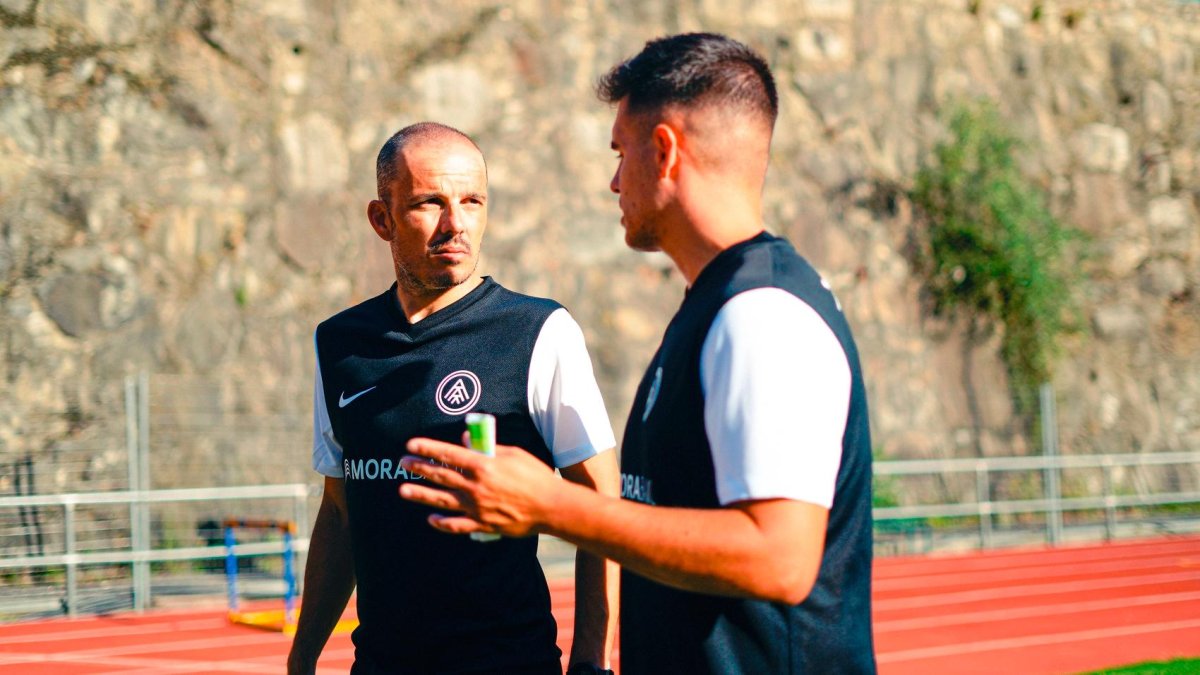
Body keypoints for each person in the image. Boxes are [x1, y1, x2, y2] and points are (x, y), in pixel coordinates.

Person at [397, 33, 877, 674]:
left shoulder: (763, 314)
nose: (614, 179)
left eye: (622, 152)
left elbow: (781, 560)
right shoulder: (719, 303)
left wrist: (550, 506)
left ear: (665, 151)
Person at [286, 122, 620, 675]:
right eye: (429, 204)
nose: (456, 224)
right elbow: (342, 512)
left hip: (509, 664)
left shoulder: (539, 331)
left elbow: (599, 499)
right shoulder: (340, 344)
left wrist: (590, 663)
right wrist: (302, 660)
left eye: (472, 201)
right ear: (381, 219)